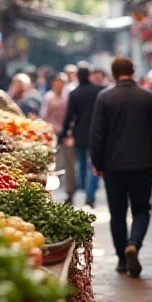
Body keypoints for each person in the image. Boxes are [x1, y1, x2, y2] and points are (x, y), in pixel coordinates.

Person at [90, 57, 152, 277]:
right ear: (133, 71)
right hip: (141, 163)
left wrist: (97, 162)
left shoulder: (105, 98)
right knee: (141, 209)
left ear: (113, 73)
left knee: (117, 213)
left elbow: (97, 134)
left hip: (113, 166)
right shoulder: (147, 97)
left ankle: (122, 259)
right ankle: (134, 244)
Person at [60, 66, 103, 208]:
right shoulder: (98, 92)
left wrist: (65, 132)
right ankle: (90, 195)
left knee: (81, 163)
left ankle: (83, 188)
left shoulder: (75, 93)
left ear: (78, 76)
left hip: (80, 133)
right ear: (89, 75)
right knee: (95, 163)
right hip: (96, 133)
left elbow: (69, 115)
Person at [41, 74, 76, 203]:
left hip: (66, 133)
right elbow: (44, 115)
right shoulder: (48, 97)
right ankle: (49, 192)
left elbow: (72, 115)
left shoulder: (68, 97)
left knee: (69, 163)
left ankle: (70, 191)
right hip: (51, 133)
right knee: (51, 164)